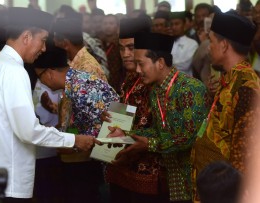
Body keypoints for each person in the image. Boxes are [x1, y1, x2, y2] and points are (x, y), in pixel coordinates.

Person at [0, 7, 98, 203]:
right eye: (43, 40)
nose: (44, 48)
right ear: (27, 36)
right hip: (7, 178)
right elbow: (28, 131)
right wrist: (73, 140)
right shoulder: (14, 71)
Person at [107, 32, 209, 202]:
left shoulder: (190, 88)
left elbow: (188, 137)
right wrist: (127, 135)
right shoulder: (156, 91)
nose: (138, 70)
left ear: (160, 63)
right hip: (173, 177)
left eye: (141, 64)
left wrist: (149, 144)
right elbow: (159, 130)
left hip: (193, 174)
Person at [33, 45, 119, 203]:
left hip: (107, 165)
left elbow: (107, 131)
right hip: (96, 160)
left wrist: (73, 145)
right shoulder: (75, 81)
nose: (41, 81)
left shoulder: (80, 88)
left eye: (40, 76)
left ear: (50, 73)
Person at [191, 11, 260, 202]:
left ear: (223, 46)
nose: (208, 49)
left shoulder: (246, 88)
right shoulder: (230, 80)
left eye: (211, 42)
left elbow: (244, 157)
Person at [102, 17, 169, 203]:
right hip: (122, 168)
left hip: (147, 173)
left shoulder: (157, 79)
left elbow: (161, 132)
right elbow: (122, 122)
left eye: (131, 48)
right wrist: (111, 122)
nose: (125, 54)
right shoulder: (129, 79)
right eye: (121, 48)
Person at [170, 11, 198, 76]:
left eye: (177, 24)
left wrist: (167, 64)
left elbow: (185, 65)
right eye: (172, 24)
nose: (173, 27)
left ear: (184, 24)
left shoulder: (192, 43)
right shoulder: (167, 42)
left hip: (186, 82)